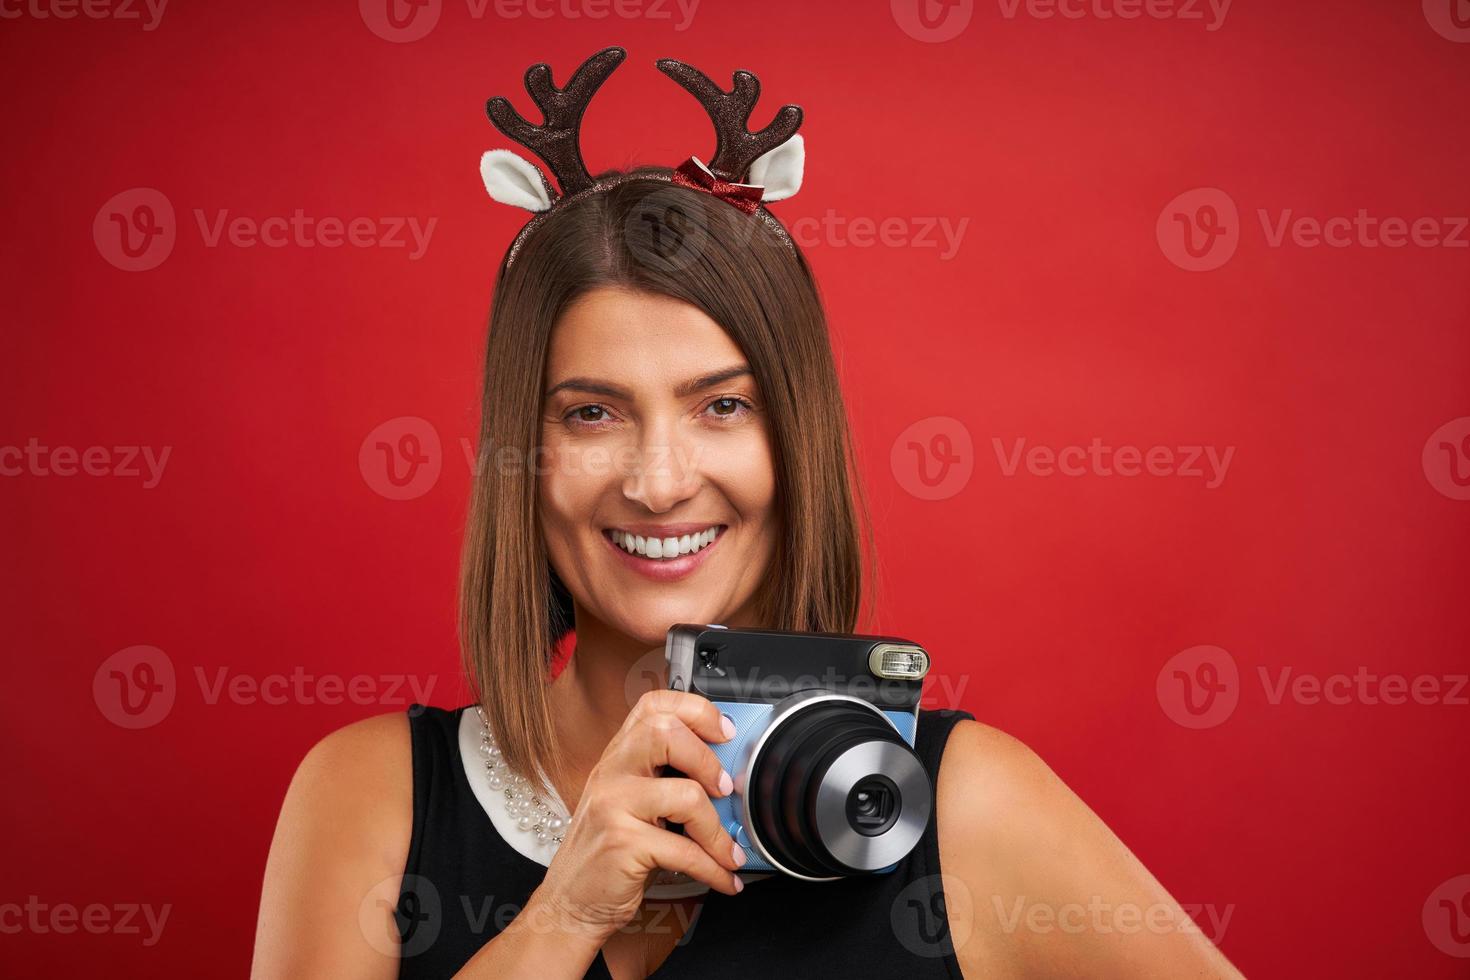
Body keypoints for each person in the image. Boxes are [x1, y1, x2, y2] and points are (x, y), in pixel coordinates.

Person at [250, 48, 1241, 979]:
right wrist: (561, 916)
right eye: (591, 412)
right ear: (527, 457)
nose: (660, 479)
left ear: (793, 439)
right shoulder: (370, 800)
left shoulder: (963, 805)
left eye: (722, 404)